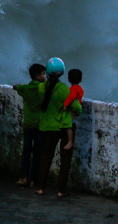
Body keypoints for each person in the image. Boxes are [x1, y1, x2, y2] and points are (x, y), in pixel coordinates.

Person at [35, 57, 82, 197]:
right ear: (62, 73)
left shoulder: (41, 87)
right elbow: (76, 108)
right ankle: (61, 190)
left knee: (46, 157)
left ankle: (40, 188)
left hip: (48, 127)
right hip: (65, 126)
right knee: (65, 159)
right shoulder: (63, 89)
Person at [13, 63, 46, 187]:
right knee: (37, 153)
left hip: (27, 125)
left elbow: (15, 87)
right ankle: (33, 180)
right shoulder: (42, 88)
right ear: (37, 76)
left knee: (26, 151)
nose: (45, 77)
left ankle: (23, 177)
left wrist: (18, 86)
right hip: (39, 125)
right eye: (43, 74)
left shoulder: (25, 88)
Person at [62, 69, 84, 150]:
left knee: (68, 125)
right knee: (71, 122)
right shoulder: (80, 88)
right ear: (81, 79)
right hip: (78, 108)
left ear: (68, 79)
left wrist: (65, 104)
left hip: (73, 109)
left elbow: (72, 96)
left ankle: (70, 142)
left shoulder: (73, 88)